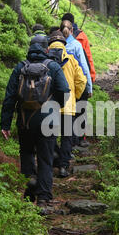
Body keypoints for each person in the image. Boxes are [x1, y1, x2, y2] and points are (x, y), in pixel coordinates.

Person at [0, 35, 70, 212]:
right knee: (46, 159)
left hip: (25, 120)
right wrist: (57, 106)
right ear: (47, 49)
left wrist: (5, 124)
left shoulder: (20, 67)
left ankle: (30, 181)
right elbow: (64, 90)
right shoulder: (53, 67)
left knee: (27, 153)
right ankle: (43, 199)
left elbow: (9, 97)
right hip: (48, 120)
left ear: (30, 48)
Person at [48, 30, 87, 178]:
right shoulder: (71, 59)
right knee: (66, 136)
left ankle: (54, 161)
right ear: (64, 44)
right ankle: (63, 167)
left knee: (50, 136)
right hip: (68, 105)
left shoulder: (45, 61)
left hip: (50, 106)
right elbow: (81, 80)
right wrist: (75, 96)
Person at [60, 20, 92, 148]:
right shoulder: (76, 45)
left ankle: (67, 146)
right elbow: (84, 66)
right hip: (76, 84)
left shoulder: (56, 45)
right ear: (72, 30)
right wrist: (89, 86)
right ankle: (77, 140)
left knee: (65, 116)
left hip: (61, 85)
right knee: (79, 111)